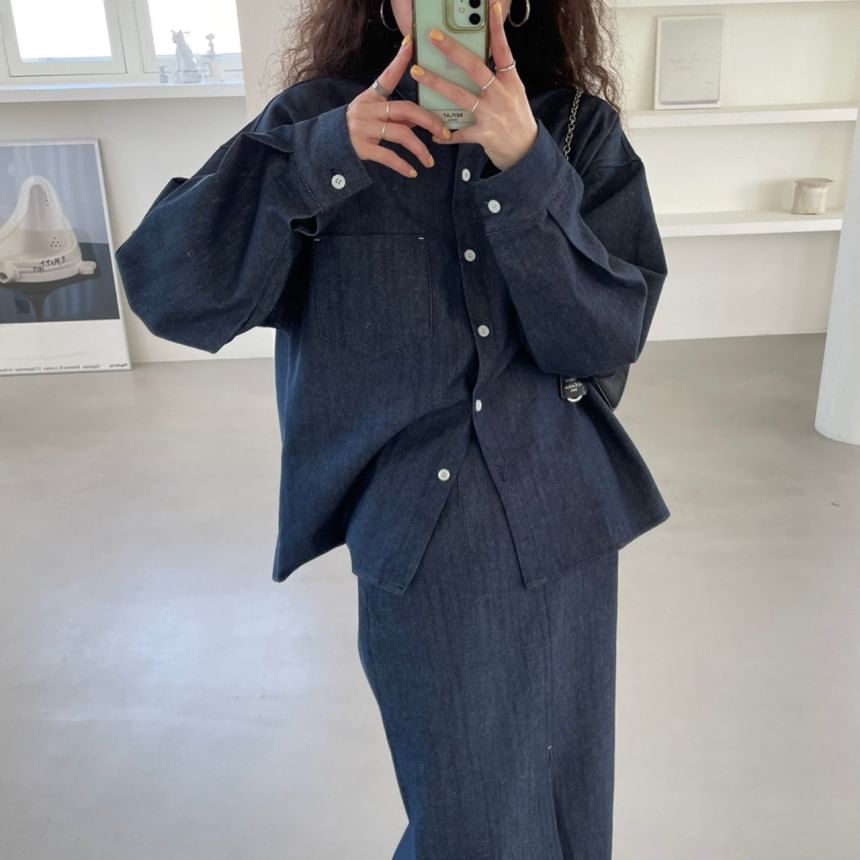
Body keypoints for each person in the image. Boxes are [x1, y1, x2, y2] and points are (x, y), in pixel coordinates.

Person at [114, 0, 671, 856]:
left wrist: (525, 169)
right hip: (425, 534)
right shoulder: (316, 122)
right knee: (469, 819)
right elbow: (171, 291)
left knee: (567, 795)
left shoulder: (573, 133)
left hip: (566, 519)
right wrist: (316, 161)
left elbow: (605, 336)